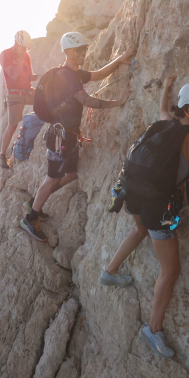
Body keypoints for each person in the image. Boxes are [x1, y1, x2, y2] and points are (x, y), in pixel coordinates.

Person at [99, 75, 189, 358]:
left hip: (131, 194)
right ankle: (152, 330)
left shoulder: (166, 123)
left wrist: (165, 89)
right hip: (157, 205)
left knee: (140, 230)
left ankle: (109, 273)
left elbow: (163, 110)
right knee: (170, 271)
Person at [19, 31, 134, 241]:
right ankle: (30, 217)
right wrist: (118, 103)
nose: (83, 53)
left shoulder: (76, 74)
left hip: (69, 135)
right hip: (59, 136)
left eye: (84, 49)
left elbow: (99, 74)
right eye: (79, 50)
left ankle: (35, 202)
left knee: (71, 174)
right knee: (53, 178)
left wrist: (120, 59)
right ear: (69, 52)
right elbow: (86, 100)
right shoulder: (67, 76)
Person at [0, 30, 37, 169]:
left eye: (26, 49)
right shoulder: (5, 54)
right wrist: (20, 57)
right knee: (13, 124)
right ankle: (2, 156)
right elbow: (13, 75)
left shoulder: (26, 55)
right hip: (14, 94)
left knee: (46, 100)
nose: (25, 51)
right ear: (16, 42)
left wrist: (40, 77)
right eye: (23, 48)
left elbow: (29, 76)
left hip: (27, 92)